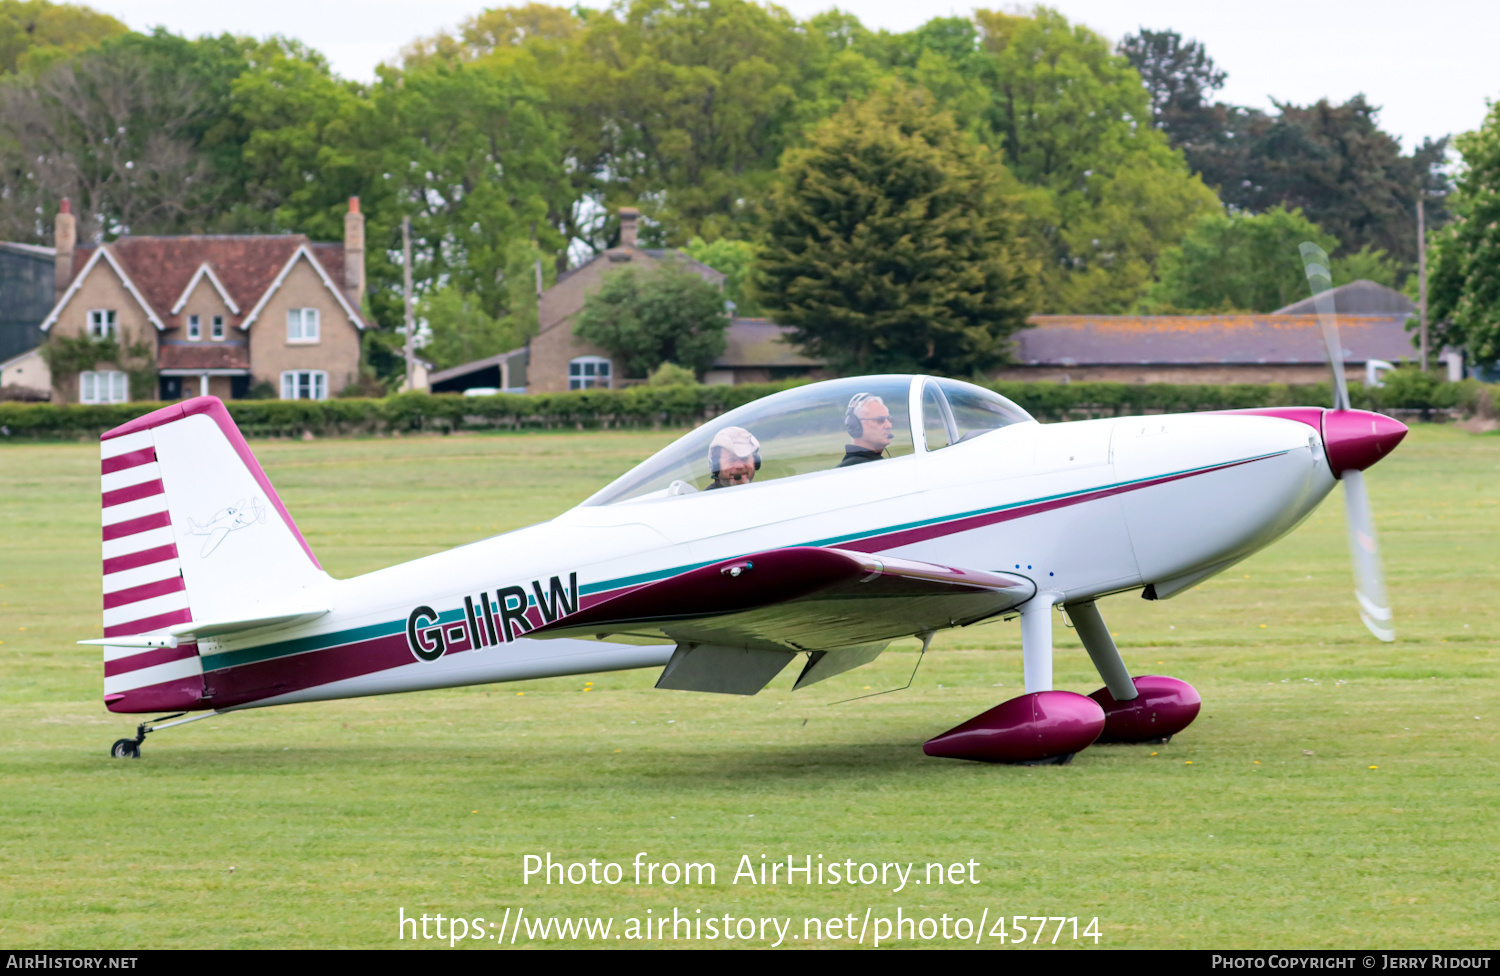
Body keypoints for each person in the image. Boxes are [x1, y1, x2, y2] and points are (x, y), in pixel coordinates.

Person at [838, 393, 894, 466]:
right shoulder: (854, 468)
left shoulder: (873, 462)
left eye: (889, 419)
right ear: (855, 425)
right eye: (880, 420)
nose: (889, 426)